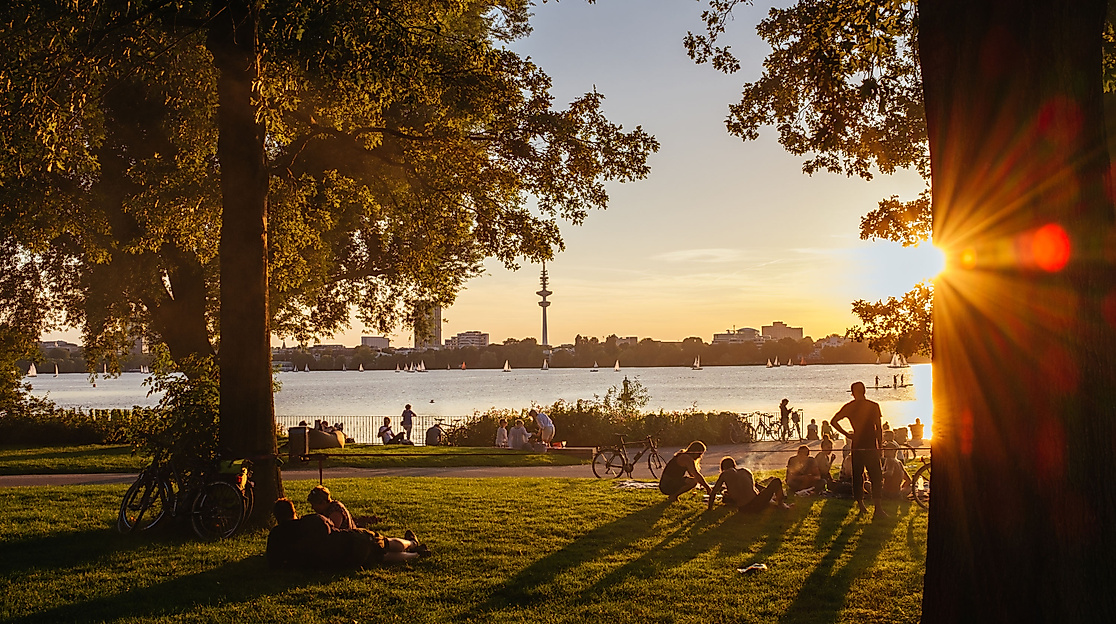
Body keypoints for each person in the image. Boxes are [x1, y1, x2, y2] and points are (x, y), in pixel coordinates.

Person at [830, 381, 887, 519]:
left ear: (853, 393)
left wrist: (847, 434)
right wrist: (880, 446)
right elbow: (878, 428)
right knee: (876, 476)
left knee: (858, 474)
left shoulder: (850, 407)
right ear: (865, 391)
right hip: (870, 444)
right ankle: (878, 508)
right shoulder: (873, 406)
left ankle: (861, 505)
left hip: (857, 443)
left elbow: (833, 421)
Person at [708, 456, 789, 512]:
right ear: (734, 465)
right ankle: (781, 504)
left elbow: (713, 492)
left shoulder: (724, 474)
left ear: (722, 468)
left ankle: (775, 505)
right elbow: (754, 490)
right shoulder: (745, 471)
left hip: (743, 508)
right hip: (756, 504)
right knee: (776, 481)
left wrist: (709, 508)